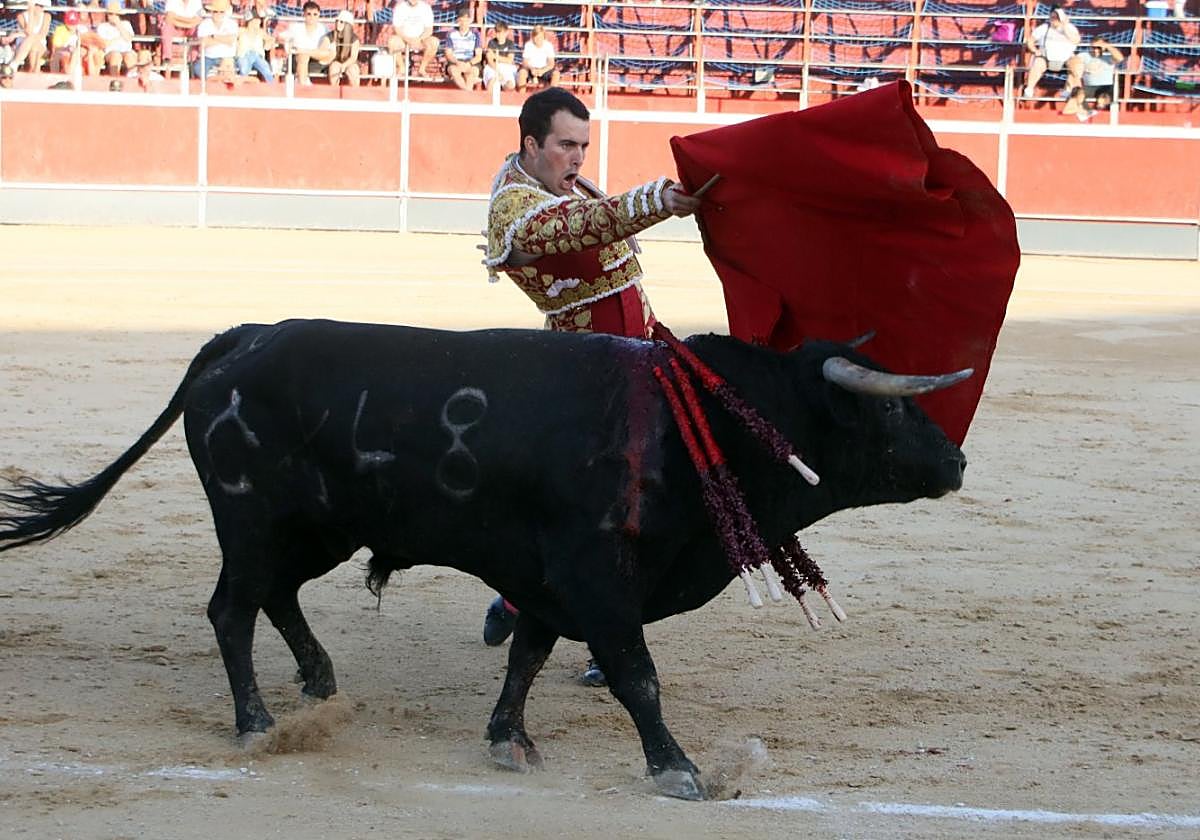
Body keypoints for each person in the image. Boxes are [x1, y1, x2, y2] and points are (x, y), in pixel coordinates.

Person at [480, 87, 702, 685]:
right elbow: (588, 226)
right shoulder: (514, 208)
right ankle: (567, 622)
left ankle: (522, 600)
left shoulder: (561, 185)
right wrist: (662, 199)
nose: (577, 158)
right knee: (607, 508)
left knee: (635, 498)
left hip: (634, 356)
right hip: (584, 378)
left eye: (583, 145)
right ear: (532, 144)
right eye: (565, 146)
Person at [1022, 5, 1083, 100]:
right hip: (1046, 57)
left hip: (1066, 58)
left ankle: (1068, 90)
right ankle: (1029, 89)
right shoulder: (1044, 28)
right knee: (1037, 63)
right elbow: (1030, 40)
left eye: (1057, 17)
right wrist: (1035, 50)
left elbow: (1076, 40)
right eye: (1053, 17)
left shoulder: (1070, 28)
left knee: (1076, 64)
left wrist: (1065, 27)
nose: (1054, 19)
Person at [1063, 36, 1124, 120]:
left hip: (1106, 86)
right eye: (1093, 47)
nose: (1096, 50)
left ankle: (1100, 112)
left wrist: (1107, 46)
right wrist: (1075, 68)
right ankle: (1082, 111)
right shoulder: (1085, 55)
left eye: (1098, 48)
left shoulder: (1108, 57)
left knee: (1103, 97)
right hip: (1089, 87)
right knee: (1079, 93)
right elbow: (1072, 61)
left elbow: (1120, 58)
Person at [281, 0, 332, 86]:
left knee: (327, 53)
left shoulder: (324, 29)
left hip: (316, 61)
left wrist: (303, 50)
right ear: (304, 14)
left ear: (319, 15)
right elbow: (281, 37)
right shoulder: (296, 27)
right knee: (303, 56)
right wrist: (287, 45)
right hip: (298, 60)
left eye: (315, 14)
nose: (312, 17)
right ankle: (303, 85)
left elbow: (326, 51)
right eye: (309, 14)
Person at [386, 0, 439, 80]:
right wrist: (408, 40)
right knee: (392, 42)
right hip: (403, 39)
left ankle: (422, 69)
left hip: (421, 40)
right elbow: (397, 29)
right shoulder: (400, 8)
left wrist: (419, 39)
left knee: (434, 42)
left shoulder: (426, 8)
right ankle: (401, 68)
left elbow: (429, 30)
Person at [193, 0, 238, 79]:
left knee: (228, 70)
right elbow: (203, 43)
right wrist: (224, 39)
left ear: (225, 12)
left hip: (226, 57)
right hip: (207, 57)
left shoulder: (232, 24)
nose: (218, 14)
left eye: (221, 12)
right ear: (211, 12)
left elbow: (231, 41)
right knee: (198, 69)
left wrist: (213, 36)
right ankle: (210, 81)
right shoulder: (204, 24)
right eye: (215, 11)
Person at [6, 0, 52, 75]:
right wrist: (31, 12)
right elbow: (29, 31)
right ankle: (35, 72)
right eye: (37, 5)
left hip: (40, 44)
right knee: (32, 46)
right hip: (23, 45)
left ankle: (15, 63)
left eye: (41, 6)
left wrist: (16, 35)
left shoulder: (47, 16)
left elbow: (42, 34)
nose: (40, 8)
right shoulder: (21, 16)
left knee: (33, 43)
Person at [160, 0, 204, 72]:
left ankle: (193, 59)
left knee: (197, 30)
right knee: (166, 28)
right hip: (175, 28)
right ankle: (167, 58)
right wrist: (189, 22)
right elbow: (168, 18)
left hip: (189, 29)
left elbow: (198, 20)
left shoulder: (197, 1)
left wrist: (177, 18)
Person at [96, 0, 136, 76]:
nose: (113, 16)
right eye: (111, 14)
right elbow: (104, 44)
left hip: (126, 50)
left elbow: (129, 38)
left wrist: (118, 25)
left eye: (115, 14)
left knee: (130, 56)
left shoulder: (126, 24)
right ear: (107, 15)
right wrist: (116, 39)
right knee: (116, 55)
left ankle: (133, 80)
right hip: (110, 52)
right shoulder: (102, 26)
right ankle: (115, 80)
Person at [442, 8, 480, 91]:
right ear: (458, 21)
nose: (463, 23)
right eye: (461, 20)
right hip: (456, 61)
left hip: (470, 61)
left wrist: (469, 63)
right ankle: (468, 92)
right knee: (454, 72)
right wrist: (457, 62)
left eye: (466, 21)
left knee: (471, 75)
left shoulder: (475, 34)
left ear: (469, 21)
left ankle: (467, 92)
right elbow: (448, 54)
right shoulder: (451, 34)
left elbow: (478, 56)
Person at [236, 8, 275, 82]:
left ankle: (272, 87)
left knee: (267, 70)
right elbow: (231, 38)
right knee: (244, 70)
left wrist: (268, 43)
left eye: (258, 21)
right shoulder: (241, 31)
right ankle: (241, 87)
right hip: (243, 55)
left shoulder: (260, 32)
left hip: (257, 55)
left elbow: (271, 39)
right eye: (255, 21)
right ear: (249, 21)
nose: (257, 23)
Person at [517, 24, 557, 91]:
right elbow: (525, 62)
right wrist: (532, 69)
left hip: (544, 69)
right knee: (522, 73)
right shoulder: (528, 45)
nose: (538, 39)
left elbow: (551, 63)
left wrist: (543, 70)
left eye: (540, 37)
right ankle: (521, 95)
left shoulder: (548, 45)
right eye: (536, 37)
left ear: (544, 37)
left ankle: (552, 96)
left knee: (556, 74)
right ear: (533, 37)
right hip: (531, 69)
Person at [326, 9, 360, 86]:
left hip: (350, 62)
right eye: (337, 21)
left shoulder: (354, 39)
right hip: (334, 61)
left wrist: (344, 65)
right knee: (334, 68)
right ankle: (334, 93)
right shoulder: (330, 36)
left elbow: (353, 57)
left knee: (353, 71)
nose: (338, 24)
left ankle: (355, 95)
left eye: (341, 22)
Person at [482, 20, 518, 92]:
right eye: (498, 33)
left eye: (502, 33)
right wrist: (498, 72)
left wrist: (495, 56)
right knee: (491, 83)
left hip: (507, 67)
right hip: (493, 67)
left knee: (510, 86)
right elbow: (490, 60)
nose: (500, 35)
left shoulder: (510, 43)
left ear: (506, 32)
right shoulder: (491, 43)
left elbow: (509, 60)